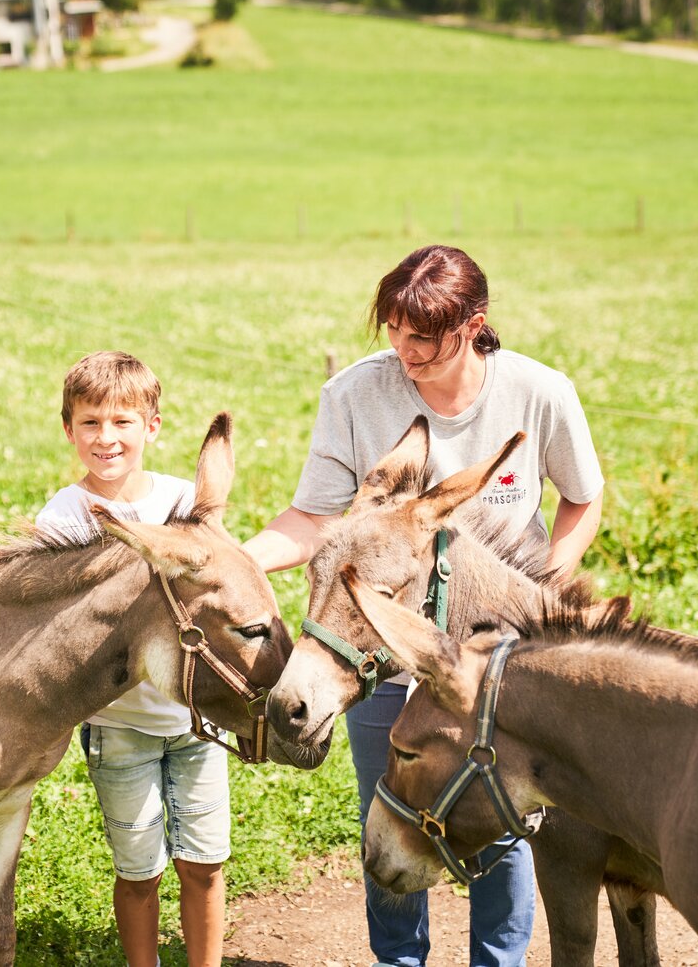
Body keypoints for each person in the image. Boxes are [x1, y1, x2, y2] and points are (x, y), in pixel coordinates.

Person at [243, 245, 604, 967]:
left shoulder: (539, 392)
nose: (403, 353)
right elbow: (315, 517)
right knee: (389, 809)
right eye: (394, 333)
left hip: (495, 655)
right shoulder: (354, 395)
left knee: (500, 822)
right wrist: (237, 565)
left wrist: (537, 602)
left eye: (423, 339)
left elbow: (583, 498)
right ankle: (397, 961)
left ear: (474, 325)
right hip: (378, 648)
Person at [35, 351, 230, 967]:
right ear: (69, 429)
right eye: (91, 423)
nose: (106, 438)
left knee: (205, 864)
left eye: (122, 422)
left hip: (196, 725)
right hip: (119, 729)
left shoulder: (180, 502)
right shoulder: (63, 518)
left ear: (152, 427)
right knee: (139, 872)